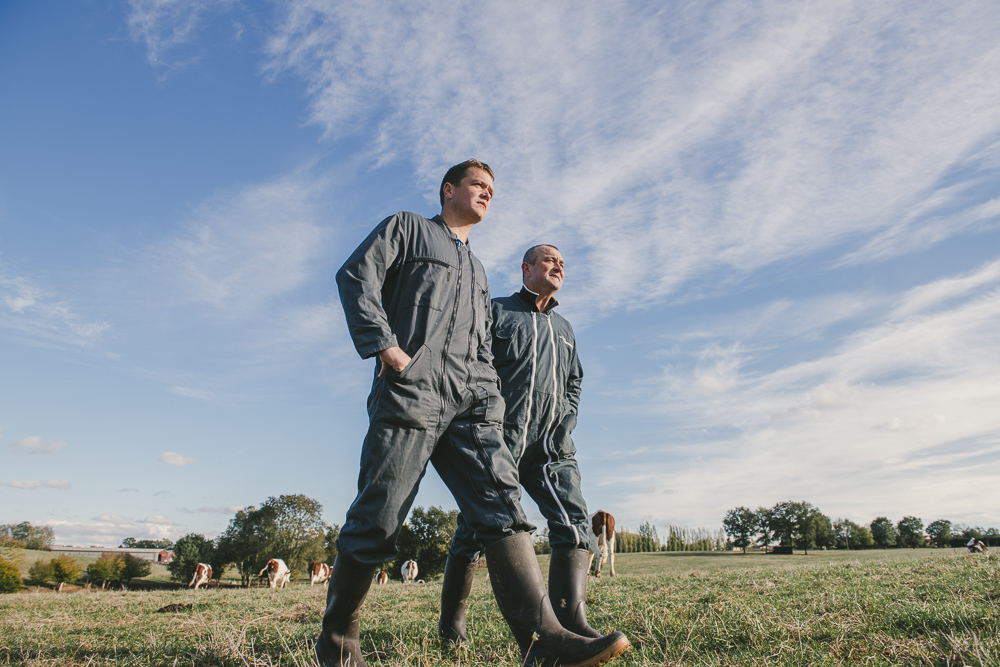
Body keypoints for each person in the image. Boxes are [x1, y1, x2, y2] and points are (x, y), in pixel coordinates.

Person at [316, 160, 630, 667]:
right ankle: (337, 645)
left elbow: (483, 344)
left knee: (503, 508)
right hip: (411, 394)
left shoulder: (477, 269)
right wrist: (387, 348)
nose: (486, 194)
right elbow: (356, 274)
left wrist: (489, 393)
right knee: (379, 516)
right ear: (448, 190)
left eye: (492, 190)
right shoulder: (409, 229)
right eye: (477, 185)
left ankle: (543, 643)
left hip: (472, 404)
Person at [440, 244, 608, 646]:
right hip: (500, 439)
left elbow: (575, 381)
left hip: (552, 445)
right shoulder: (497, 311)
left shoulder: (565, 329)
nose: (558, 266)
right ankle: (452, 627)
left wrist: (566, 419)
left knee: (574, 521)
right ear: (526, 269)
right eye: (550, 260)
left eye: (562, 263)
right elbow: (470, 361)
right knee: (474, 531)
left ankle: (571, 624)